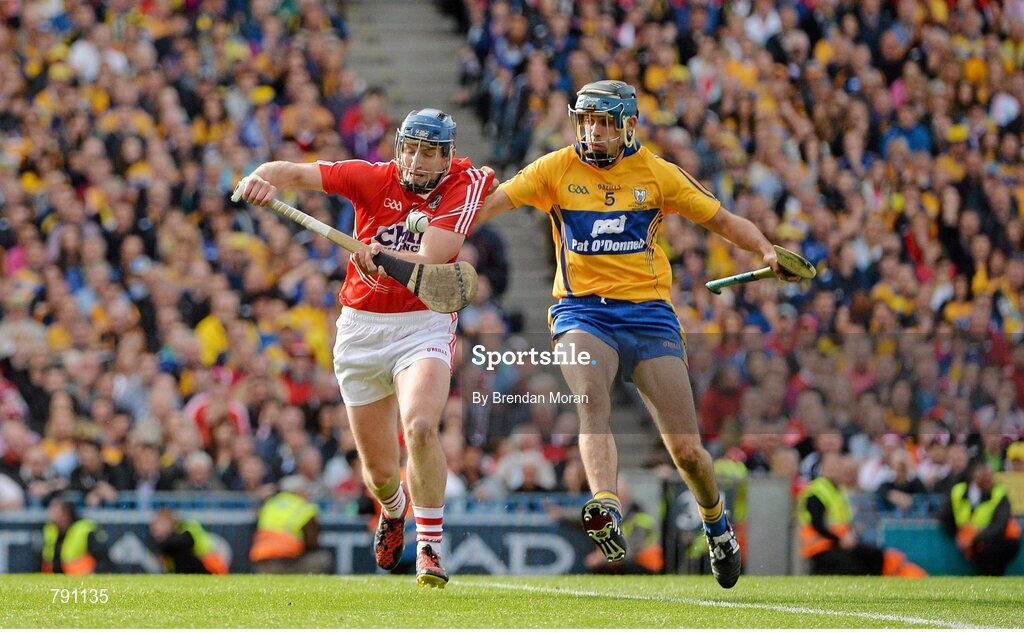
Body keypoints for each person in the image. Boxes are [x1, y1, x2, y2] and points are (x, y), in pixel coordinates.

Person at [474, 80, 798, 588]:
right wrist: (427, 228)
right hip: (582, 313)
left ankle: (717, 525)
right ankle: (605, 503)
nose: (593, 132)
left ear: (628, 125)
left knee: (687, 451)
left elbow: (722, 219)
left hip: (649, 315)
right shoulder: (555, 168)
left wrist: (765, 250)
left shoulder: (657, 175)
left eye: (604, 122)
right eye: (586, 121)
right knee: (590, 399)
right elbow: (487, 205)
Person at [236, 109, 494, 588]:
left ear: (447, 155)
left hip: (424, 323)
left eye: (430, 151)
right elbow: (290, 172)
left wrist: (386, 258)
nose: (417, 160)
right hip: (361, 329)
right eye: (411, 148)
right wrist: (258, 179)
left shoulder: (464, 183)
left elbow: (436, 256)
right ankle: (394, 512)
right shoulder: (368, 177)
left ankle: (430, 548)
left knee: (418, 426)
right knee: (378, 475)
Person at [798, 455, 926, 577]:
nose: (835, 469)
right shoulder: (818, 491)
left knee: (875, 555)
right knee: (853, 568)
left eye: (837, 465)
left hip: (839, 543)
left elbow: (842, 522)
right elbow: (817, 524)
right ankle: (819, 573)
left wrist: (853, 532)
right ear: (822, 468)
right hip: (820, 547)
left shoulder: (838, 490)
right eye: (831, 465)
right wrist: (840, 539)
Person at [936, 460, 1022, 576]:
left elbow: (1000, 523)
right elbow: (945, 515)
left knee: (998, 545)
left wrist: (975, 537)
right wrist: (957, 535)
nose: (989, 479)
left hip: (991, 538)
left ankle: (993, 576)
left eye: (990, 475)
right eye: (985, 475)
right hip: (969, 538)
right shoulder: (959, 491)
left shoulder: (998, 492)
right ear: (975, 476)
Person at [249, 475, 332, 574]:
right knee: (323, 558)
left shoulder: (269, 504)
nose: (308, 494)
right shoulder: (304, 508)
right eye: (306, 490)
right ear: (299, 491)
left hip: (261, 564)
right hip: (286, 563)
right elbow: (312, 542)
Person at [41, 497, 112, 575]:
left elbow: (103, 561)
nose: (50, 513)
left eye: (54, 510)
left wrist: (92, 574)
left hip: (84, 576)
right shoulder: (50, 529)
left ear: (66, 514)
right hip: (57, 577)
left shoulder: (85, 529)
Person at [150, 509, 229, 574]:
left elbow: (186, 542)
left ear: (168, 523)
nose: (154, 528)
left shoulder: (186, 529)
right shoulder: (170, 539)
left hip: (212, 568)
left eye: (158, 524)